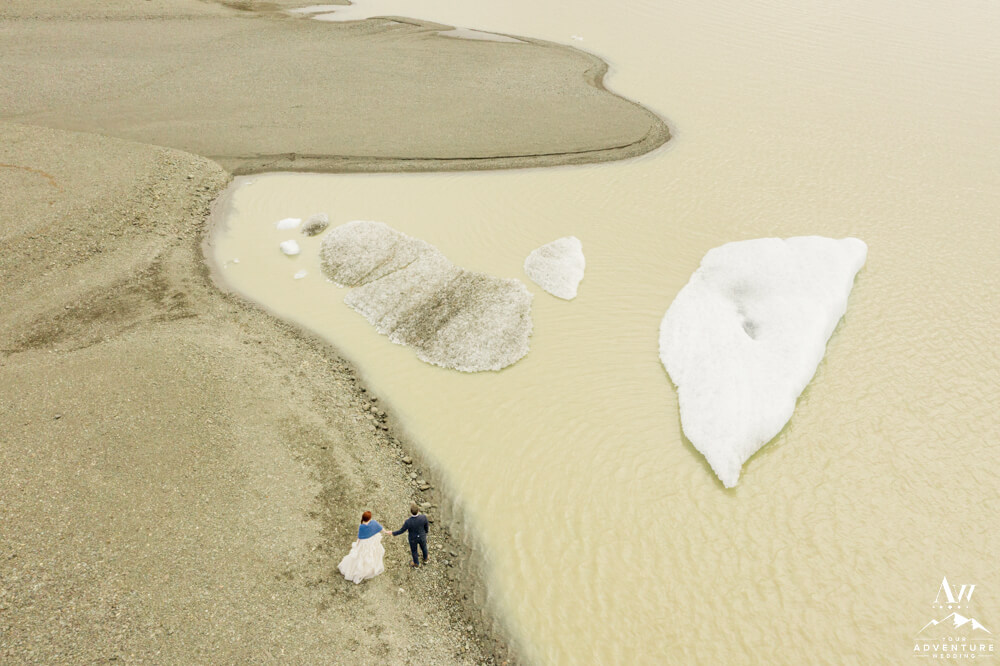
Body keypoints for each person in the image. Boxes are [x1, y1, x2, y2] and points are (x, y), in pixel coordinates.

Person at [337, 510, 386, 584]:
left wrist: (357, 545)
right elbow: (381, 528)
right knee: (371, 555)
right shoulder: (373, 523)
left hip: (364, 543)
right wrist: (387, 532)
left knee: (360, 556)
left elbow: (360, 537)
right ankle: (368, 569)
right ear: (369, 518)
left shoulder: (362, 526)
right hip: (372, 542)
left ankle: (358, 570)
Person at [391, 503, 429, 567]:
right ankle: (426, 559)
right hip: (422, 536)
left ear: (411, 512)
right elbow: (426, 526)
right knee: (424, 547)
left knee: (414, 551)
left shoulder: (408, 522)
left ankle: (416, 564)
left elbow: (401, 530)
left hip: (413, 539)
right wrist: (426, 532)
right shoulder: (423, 517)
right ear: (418, 510)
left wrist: (393, 533)